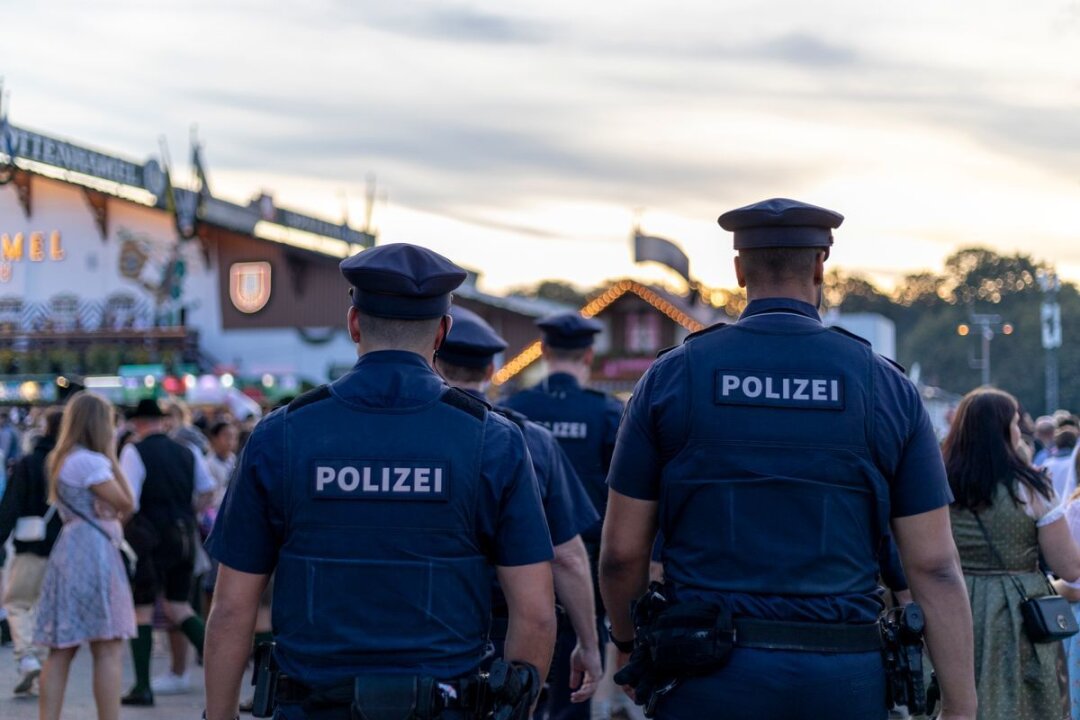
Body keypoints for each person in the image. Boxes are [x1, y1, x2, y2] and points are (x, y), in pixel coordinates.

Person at [599, 198, 977, 720]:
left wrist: (624, 642)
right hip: (843, 676)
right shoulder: (886, 386)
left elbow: (620, 553)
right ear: (822, 263)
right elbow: (933, 566)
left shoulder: (671, 378)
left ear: (738, 270)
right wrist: (961, 705)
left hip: (705, 676)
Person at [204, 243, 557, 720]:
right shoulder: (493, 440)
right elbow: (535, 613)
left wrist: (217, 715)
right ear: (442, 332)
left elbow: (230, 609)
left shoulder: (281, 434)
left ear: (354, 324)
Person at [435, 304, 603, 704]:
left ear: (435, 360)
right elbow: (568, 557)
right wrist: (590, 642)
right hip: (512, 626)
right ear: (491, 370)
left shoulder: (412, 432)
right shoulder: (525, 435)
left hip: (427, 626)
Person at [503, 310, 623, 720]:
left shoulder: (512, 409)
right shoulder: (607, 413)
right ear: (588, 356)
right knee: (577, 683)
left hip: (519, 559)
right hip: (585, 561)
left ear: (544, 351)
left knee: (519, 675)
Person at [946, 387, 1080, 720]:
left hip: (952, 604)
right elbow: (1070, 567)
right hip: (1018, 611)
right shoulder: (1030, 488)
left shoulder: (940, 484)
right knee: (1025, 701)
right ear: (1006, 430)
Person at [34, 392, 136, 720]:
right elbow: (127, 502)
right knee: (107, 646)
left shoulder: (63, 458)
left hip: (70, 550)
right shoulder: (92, 462)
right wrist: (111, 456)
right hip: (96, 553)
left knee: (61, 648)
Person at [119, 398, 215, 706]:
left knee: (142, 610)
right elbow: (207, 491)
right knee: (179, 606)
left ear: (137, 423)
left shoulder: (134, 451)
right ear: (161, 421)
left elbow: (129, 502)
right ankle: (224, 661)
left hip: (149, 540)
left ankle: (143, 686)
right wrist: (189, 514)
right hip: (185, 536)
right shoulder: (187, 452)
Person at [0, 408, 63, 694]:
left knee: (16, 602)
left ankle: (26, 656)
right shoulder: (70, 462)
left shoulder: (28, 463)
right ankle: (39, 661)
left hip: (30, 544)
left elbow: (10, 505)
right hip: (65, 546)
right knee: (45, 608)